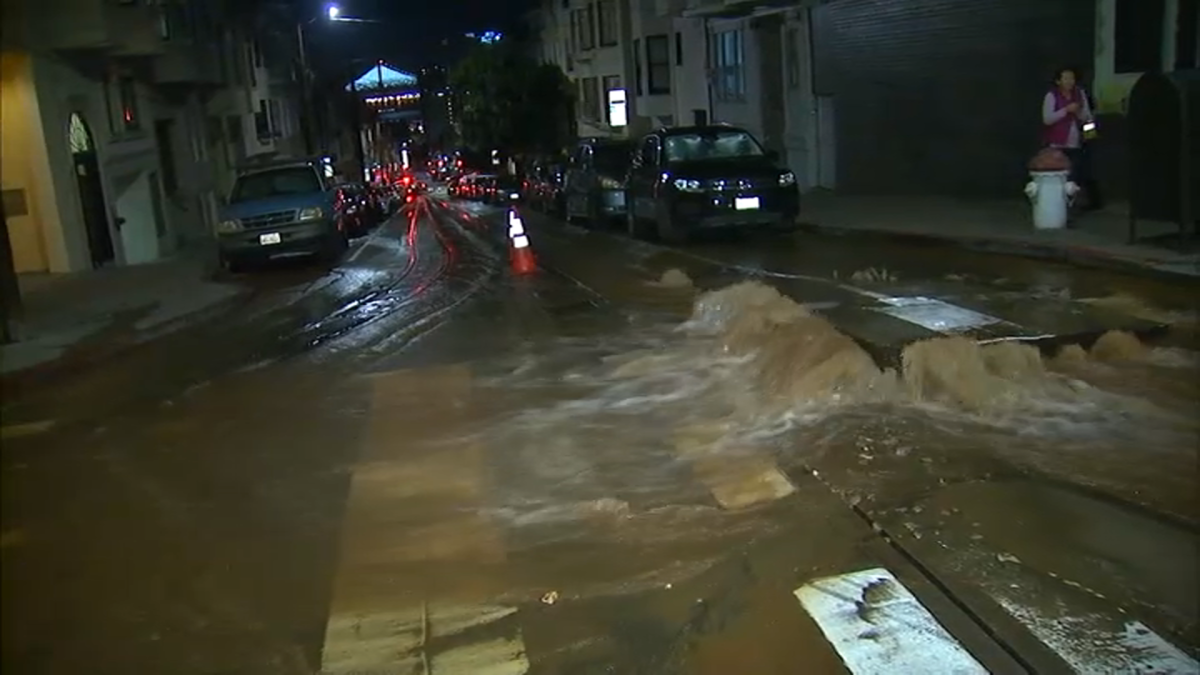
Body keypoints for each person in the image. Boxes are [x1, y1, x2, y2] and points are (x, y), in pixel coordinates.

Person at [1042, 67, 1103, 210]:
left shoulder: (1079, 94)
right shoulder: (1051, 96)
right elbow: (1047, 119)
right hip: (1057, 144)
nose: (1070, 81)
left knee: (1073, 179)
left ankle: (1070, 209)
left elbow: (1087, 117)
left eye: (1072, 78)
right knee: (1059, 177)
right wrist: (1065, 110)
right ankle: (1058, 209)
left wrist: (1080, 113)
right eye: (1066, 78)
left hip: (1076, 143)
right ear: (1058, 81)